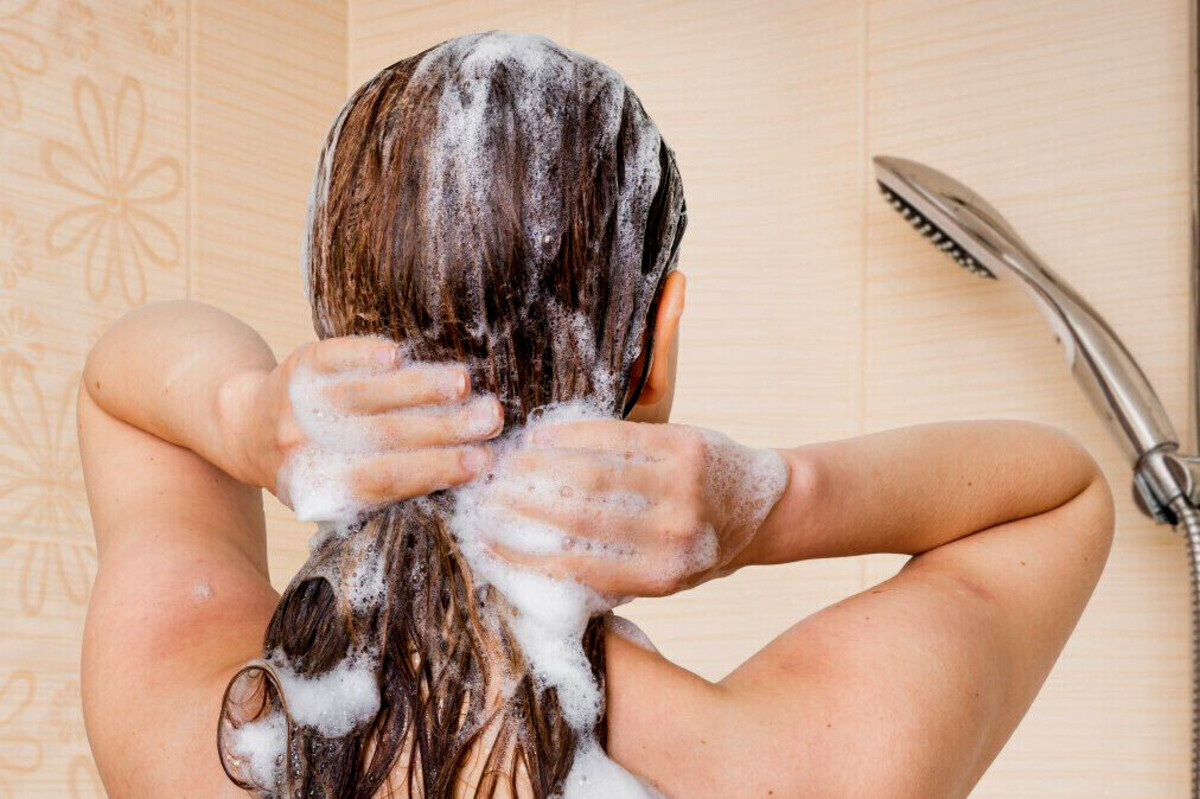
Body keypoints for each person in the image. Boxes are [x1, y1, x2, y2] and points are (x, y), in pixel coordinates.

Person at [78, 32, 1114, 799]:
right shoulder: (785, 768)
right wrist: (776, 502)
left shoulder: (206, 739)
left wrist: (241, 411)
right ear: (657, 345)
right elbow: (1061, 497)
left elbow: (120, 392)